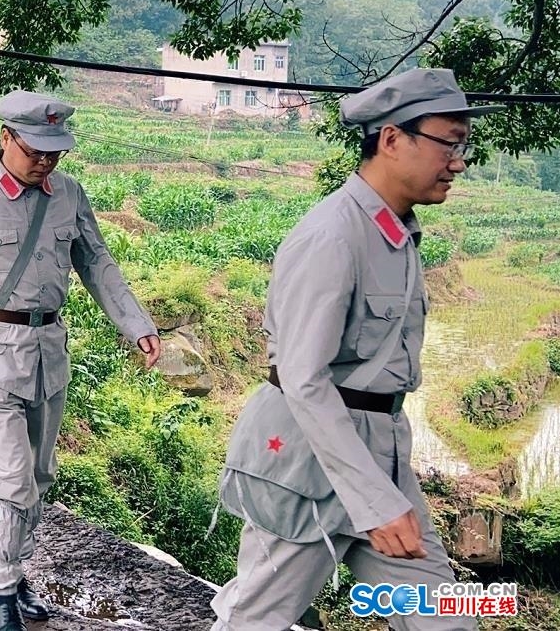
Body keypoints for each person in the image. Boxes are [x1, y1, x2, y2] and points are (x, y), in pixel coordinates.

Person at [208, 68, 499, 631]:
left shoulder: (396, 232)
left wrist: (382, 492)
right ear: (392, 139)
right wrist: (374, 501)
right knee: (257, 621)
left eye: (463, 146)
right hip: (306, 461)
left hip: (379, 453)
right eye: (448, 143)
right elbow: (303, 378)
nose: (459, 162)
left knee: (445, 617)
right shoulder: (333, 235)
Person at [0, 90, 161, 631]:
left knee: (40, 476)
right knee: (11, 479)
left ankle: (17, 571)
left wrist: (135, 323)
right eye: (35, 151)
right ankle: (0, 588)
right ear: (6, 138)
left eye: (54, 152)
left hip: (48, 352)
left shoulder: (68, 194)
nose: (45, 161)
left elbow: (97, 262)